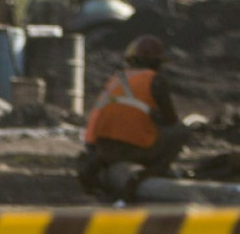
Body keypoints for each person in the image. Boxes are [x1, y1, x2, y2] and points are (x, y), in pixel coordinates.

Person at [80, 34, 189, 199]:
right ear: (157, 62)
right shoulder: (155, 80)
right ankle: (156, 170)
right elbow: (171, 120)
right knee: (181, 130)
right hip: (131, 151)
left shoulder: (117, 78)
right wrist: (156, 118)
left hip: (101, 148)